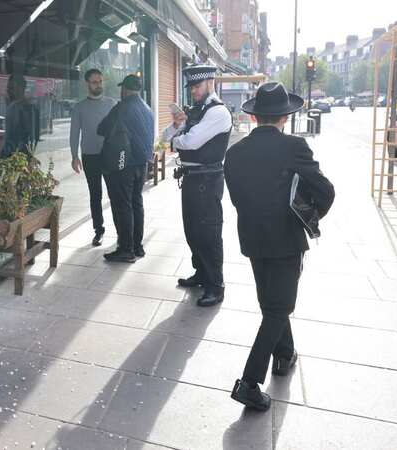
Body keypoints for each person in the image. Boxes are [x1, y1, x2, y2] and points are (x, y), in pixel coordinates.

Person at [224, 82, 335, 411]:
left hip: (253, 238)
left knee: (272, 303)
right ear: (285, 117)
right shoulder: (294, 146)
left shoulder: (234, 152)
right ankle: (249, 382)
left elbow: (236, 198)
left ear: (255, 115)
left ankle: (284, 354)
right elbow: (325, 191)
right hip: (286, 239)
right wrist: (310, 216)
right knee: (278, 308)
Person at [162, 65, 232, 307]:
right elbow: (165, 136)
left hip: (208, 179)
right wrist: (175, 127)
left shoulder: (218, 112)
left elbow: (190, 141)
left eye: (197, 86)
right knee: (192, 230)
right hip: (192, 178)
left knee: (209, 233)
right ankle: (201, 273)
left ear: (210, 83)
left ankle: (215, 285)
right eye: (191, 87)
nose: (193, 91)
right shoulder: (196, 110)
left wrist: (177, 139)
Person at [97, 75, 154, 263]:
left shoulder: (121, 108)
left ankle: (126, 249)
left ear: (125, 90)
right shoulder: (147, 109)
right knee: (136, 203)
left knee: (123, 206)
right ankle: (137, 246)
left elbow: (102, 128)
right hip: (142, 164)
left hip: (124, 165)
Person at [70, 69, 117, 246]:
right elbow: (74, 134)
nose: (98, 85)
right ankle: (99, 230)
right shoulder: (79, 107)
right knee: (95, 194)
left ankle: (121, 231)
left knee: (115, 193)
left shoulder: (112, 104)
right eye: (94, 82)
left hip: (110, 155)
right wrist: (74, 156)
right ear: (87, 84)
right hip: (90, 157)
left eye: (100, 81)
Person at [2, 74, 38, 157]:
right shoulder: (12, 107)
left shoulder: (26, 109)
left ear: (21, 88)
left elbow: (28, 138)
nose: (8, 91)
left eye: (11, 88)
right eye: (8, 88)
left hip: (18, 158)